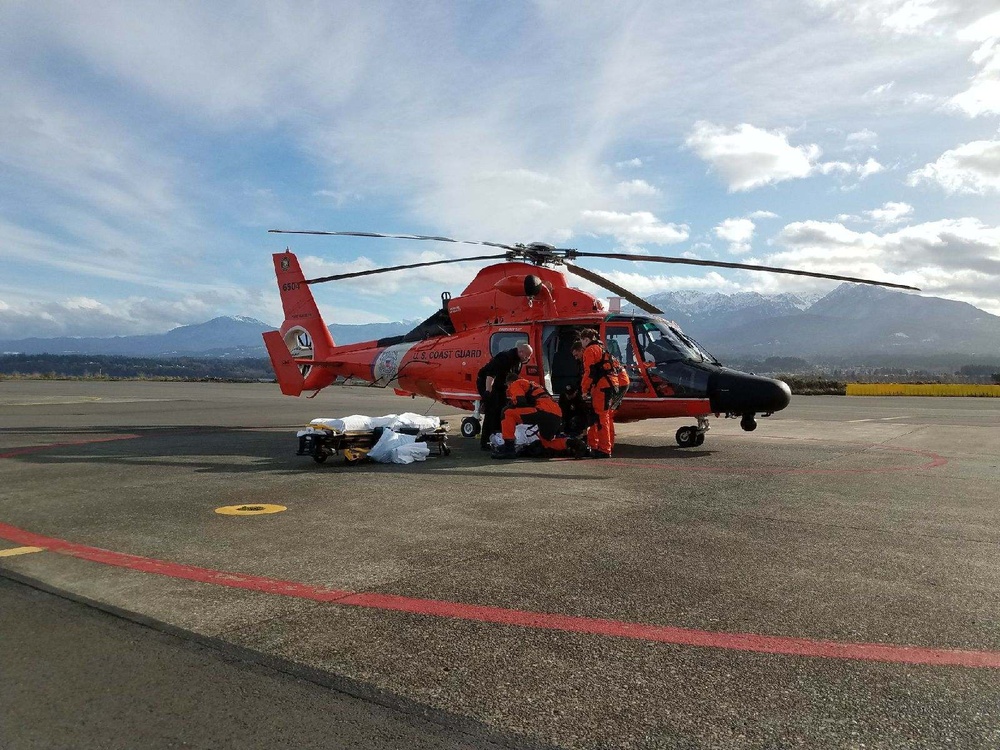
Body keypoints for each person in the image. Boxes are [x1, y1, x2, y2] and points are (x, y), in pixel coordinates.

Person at [492, 373, 585, 459]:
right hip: (556, 415)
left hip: (544, 411)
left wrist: (511, 404)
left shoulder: (516, 383)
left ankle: (509, 448)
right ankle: (571, 443)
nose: (509, 388)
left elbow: (519, 401)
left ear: (509, 383)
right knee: (545, 442)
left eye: (508, 386)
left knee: (507, 412)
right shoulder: (535, 385)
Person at [576, 328, 628, 458]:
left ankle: (604, 448)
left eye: (581, 341)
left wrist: (584, 390)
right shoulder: (602, 348)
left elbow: (589, 373)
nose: (581, 344)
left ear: (586, 339)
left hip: (603, 386)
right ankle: (603, 445)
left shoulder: (590, 350)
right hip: (612, 385)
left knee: (600, 417)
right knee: (605, 416)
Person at [476, 342, 532, 450]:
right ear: (520, 352)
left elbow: (512, 379)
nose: (528, 358)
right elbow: (490, 374)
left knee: (502, 409)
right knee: (492, 410)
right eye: (527, 356)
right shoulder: (505, 357)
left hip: (500, 385)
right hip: (488, 382)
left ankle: (498, 436)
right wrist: (488, 392)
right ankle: (486, 441)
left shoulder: (518, 362)